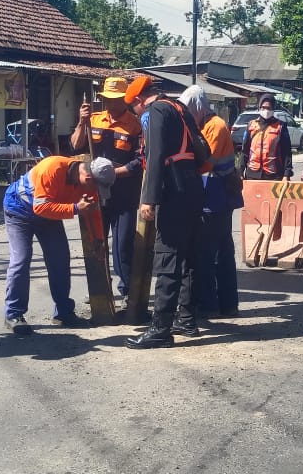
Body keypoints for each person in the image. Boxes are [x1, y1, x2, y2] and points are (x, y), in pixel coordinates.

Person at [125, 78, 209, 348]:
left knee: (168, 257)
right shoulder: (178, 107)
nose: (135, 115)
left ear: (138, 101)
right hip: (193, 185)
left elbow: (156, 153)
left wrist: (148, 198)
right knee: (188, 257)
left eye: (132, 110)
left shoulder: (154, 112)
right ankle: (186, 318)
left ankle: (160, 328)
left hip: (174, 188)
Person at [3, 155, 116, 334]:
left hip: (49, 217)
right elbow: (39, 208)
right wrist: (76, 208)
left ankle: (63, 312)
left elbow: (92, 213)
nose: (96, 191)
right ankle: (13, 314)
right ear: (87, 178)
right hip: (19, 212)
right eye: (96, 187)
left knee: (60, 259)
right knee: (21, 260)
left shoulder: (89, 183)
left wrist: (98, 239)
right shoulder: (52, 168)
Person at [70, 76, 143, 298]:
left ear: (125, 99)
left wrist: (113, 174)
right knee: (96, 242)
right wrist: (82, 122)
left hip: (124, 194)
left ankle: (127, 291)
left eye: (116, 100)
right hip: (95, 192)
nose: (111, 104)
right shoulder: (93, 119)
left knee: (123, 246)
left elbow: (141, 161)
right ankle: (101, 290)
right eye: (107, 99)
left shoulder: (136, 125)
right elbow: (75, 145)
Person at [179, 85, 242, 318]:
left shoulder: (215, 126)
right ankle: (224, 304)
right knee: (218, 251)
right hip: (213, 194)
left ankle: (212, 304)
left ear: (197, 106)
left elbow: (205, 162)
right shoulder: (202, 124)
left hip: (217, 195)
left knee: (212, 253)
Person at [241, 94, 292, 180]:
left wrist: (287, 174)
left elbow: (286, 152)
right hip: (252, 174)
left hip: (273, 175)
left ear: (273, 109)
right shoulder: (251, 125)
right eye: (263, 107)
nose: (266, 110)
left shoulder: (281, 126)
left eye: (269, 108)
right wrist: (241, 170)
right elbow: (245, 151)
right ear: (259, 108)